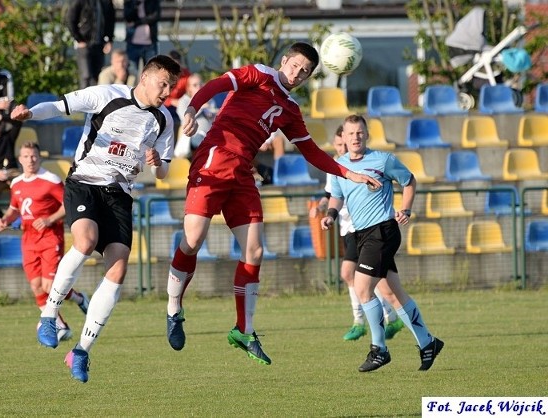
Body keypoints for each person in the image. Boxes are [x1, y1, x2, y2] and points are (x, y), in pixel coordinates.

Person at [165, 42, 381, 366]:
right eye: (295, 66)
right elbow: (218, 84)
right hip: (213, 160)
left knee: (254, 251)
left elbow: (312, 152)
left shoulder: (290, 109)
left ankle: (244, 329)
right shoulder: (260, 75)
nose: (298, 74)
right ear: (284, 61)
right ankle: (173, 307)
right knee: (193, 240)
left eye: (305, 72)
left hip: (242, 174)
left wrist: (350, 173)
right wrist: (193, 109)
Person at [10, 54, 181, 383]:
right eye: (163, 84)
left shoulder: (164, 120)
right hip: (84, 183)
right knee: (85, 241)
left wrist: (157, 160)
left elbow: (162, 173)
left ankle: (81, 351)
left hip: (119, 195)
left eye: (172, 87)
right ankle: (49, 314)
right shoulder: (107, 96)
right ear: (145, 78)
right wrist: (31, 112)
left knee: (118, 270)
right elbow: (59, 106)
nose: (167, 92)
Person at [321, 114, 444, 372]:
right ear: (342, 137)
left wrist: (406, 209)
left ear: (367, 135)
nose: (355, 137)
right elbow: (336, 197)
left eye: (359, 132)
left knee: (363, 288)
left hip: (383, 231)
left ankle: (379, 349)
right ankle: (427, 342)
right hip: (361, 234)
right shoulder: (339, 166)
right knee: (391, 293)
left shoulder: (383, 160)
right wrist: (330, 216)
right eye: (350, 133)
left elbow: (409, 181)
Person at [311, 125, 403, 341]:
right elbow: (332, 194)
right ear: (337, 142)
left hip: (362, 229)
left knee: (351, 274)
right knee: (377, 281)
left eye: (349, 141)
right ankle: (391, 318)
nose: (344, 146)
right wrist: (325, 210)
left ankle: (362, 323)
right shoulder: (334, 167)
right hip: (346, 227)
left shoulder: (364, 164)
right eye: (340, 143)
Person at [0, 141, 90, 342]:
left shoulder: (51, 180)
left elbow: (68, 204)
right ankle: (62, 324)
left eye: (34, 156)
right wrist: (5, 220)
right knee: (36, 286)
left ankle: (73, 306)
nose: (30, 160)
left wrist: (49, 219)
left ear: (40, 157)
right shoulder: (17, 183)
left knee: (49, 286)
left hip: (50, 238)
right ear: (20, 159)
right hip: (28, 240)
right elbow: (14, 209)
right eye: (26, 156)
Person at [65, 0, 116, 89]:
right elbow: (70, 19)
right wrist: (79, 39)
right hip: (84, 44)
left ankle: (94, 101)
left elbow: (111, 20)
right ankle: (83, 102)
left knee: (98, 76)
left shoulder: (106, 2)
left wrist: (109, 39)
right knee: (86, 76)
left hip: (100, 44)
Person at [174, 73, 216, 159]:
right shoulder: (184, 101)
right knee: (205, 143)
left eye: (200, 84)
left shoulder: (210, 100)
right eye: (195, 85)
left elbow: (214, 116)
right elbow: (185, 118)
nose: (199, 87)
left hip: (210, 135)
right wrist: (201, 108)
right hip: (193, 136)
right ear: (189, 88)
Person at [123, 0, 161, 70]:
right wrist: (136, 5)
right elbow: (128, 17)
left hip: (150, 44)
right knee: (132, 71)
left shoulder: (153, 1)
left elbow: (155, 17)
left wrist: (136, 23)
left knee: (152, 71)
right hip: (133, 44)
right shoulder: (129, 2)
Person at [164, 50, 190, 132]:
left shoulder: (186, 74)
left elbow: (191, 90)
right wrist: (171, 101)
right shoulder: (162, 75)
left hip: (181, 105)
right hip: (166, 105)